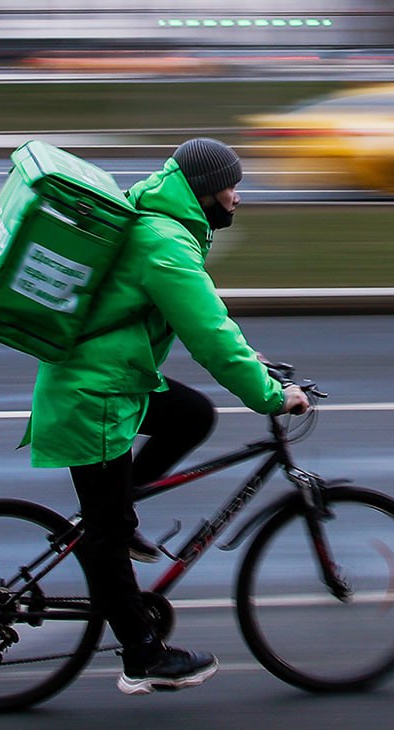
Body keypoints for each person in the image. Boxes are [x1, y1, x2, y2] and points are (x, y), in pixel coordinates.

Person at [21, 138, 310, 696]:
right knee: (105, 535)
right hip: (94, 397)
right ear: (204, 192)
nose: (237, 198)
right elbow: (210, 337)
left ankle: (121, 513)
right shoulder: (165, 244)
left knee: (191, 413)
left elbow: (213, 329)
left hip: (111, 382)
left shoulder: (162, 223)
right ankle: (142, 656)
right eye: (232, 186)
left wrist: (257, 365)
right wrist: (273, 397)